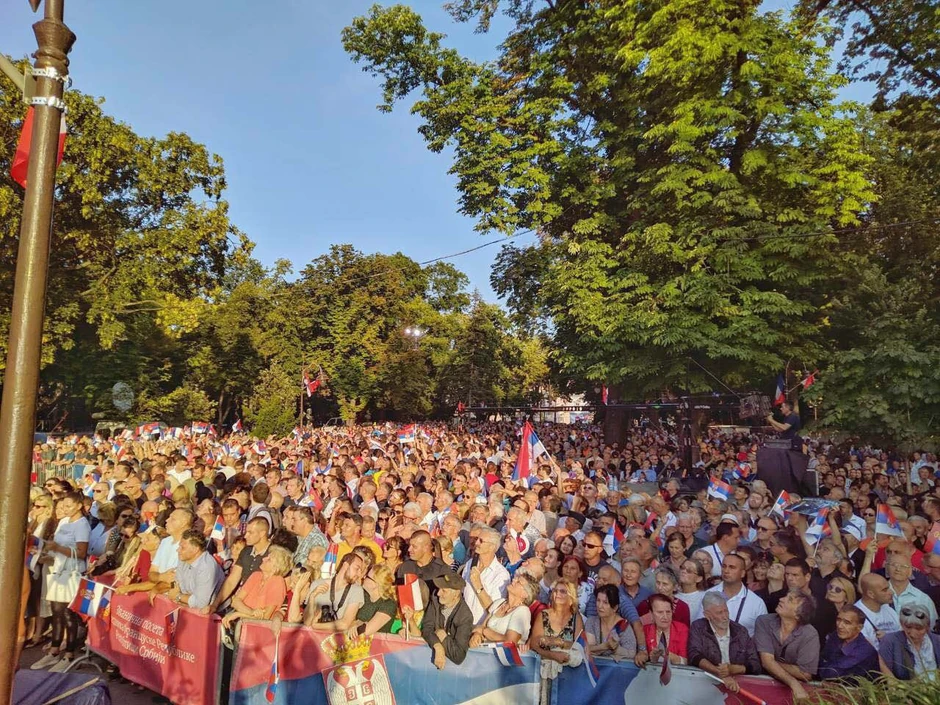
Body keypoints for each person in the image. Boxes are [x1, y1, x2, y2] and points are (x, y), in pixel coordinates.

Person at [32, 491, 90, 671]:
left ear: (79, 506)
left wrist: (57, 548)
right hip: (57, 570)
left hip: (72, 573)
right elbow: (56, 545)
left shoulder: (82, 525)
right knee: (56, 611)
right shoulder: (64, 522)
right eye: (63, 505)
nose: (64, 509)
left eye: (68, 506)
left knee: (67, 613)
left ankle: (69, 653)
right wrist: (46, 551)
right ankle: (54, 651)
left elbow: (81, 553)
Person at [688, 592, 762, 693]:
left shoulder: (740, 631)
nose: (725, 616)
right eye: (719, 613)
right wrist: (718, 672)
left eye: (726, 611)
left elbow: (755, 665)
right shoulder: (698, 628)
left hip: (740, 688)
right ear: (707, 615)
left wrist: (734, 669)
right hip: (707, 687)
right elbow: (694, 655)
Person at [754, 591, 820, 701]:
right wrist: (794, 683)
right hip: (760, 689)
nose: (781, 599)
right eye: (785, 596)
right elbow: (766, 662)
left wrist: (772, 663)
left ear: (798, 615)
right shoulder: (763, 621)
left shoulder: (810, 634)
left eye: (790, 600)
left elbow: (805, 674)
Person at [220, 546, 292, 642]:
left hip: (260, 635)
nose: (263, 558)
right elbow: (236, 601)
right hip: (242, 629)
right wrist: (252, 612)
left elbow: (265, 617)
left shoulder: (277, 582)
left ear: (275, 569)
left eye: (269, 559)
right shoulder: (256, 575)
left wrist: (238, 614)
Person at [291, 552, 367, 631]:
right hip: (314, 640)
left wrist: (316, 626)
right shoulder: (317, 584)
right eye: (357, 569)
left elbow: (344, 624)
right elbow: (307, 622)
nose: (359, 574)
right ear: (345, 565)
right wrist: (312, 597)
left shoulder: (356, 590)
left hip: (336, 641)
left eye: (360, 570)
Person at [529, 578, 584, 681]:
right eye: (555, 590)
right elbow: (534, 645)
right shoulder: (543, 615)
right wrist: (553, 655)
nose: (557, 593)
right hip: (543, 672)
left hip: (569, 676)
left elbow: (579, 645)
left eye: (562, 591)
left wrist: (558, 642)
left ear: (571, 598)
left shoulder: (576, 618)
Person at [421, 572, 473, 669]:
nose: (438, 593)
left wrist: (444, 637)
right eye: (439, 589)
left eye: (444, 591)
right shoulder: (435, 599)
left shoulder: (465, 616)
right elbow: (427, 628)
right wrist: (438, 647)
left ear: (456, 594)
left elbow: (459, 656)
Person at [706, 553, 767, 636]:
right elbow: (699, 628)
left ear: (742, 573)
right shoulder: (708, 595)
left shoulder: (756, 603)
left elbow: (763, 636)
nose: (726, 571)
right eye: (724, 566)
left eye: (732, 567)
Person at [469, 574, 537, 647]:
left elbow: (510, 641)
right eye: (515, 578)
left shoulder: (523, 611)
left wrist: (484, 631)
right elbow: (481, 627)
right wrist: (477, 635)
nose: (513, 580)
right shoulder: (499, 602)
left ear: (525, 594)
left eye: (518, 582)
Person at [460, 526, 511, 625]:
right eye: (476, 539)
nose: (476, 543)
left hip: (479, 627)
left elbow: (495, 610)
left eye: (481, 540)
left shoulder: (501, 575)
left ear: (492, 547)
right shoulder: (470, 563)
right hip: (462, 624)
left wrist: (478, 585)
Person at [878, 603, 940, 680]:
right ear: (902, 624)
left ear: (927, 626)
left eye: (918, 628)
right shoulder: (890, 641)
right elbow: (886, 671)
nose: (913, 633)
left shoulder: (937, 641)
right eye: (908, 627)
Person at [166, 529, 224, 609]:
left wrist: (178, 596)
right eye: (179, 546)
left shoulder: (206, 567)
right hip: (187, 604)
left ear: (195, 549)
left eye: (182, 547)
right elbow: (175, 580)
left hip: (213, 612)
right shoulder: (183, 557)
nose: (178, 550)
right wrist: (173, 589)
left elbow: (201, 603)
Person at [817, 606, 879, 681]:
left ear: (859, 627)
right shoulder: (836, 636)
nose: (840, 626)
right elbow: (820, 660)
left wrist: (823, 666)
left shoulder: (864, 650)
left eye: (847, 623)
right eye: (838, 620)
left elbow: (831, 673)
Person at [584, 584, 637, 661]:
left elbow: (631, 653)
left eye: (605, 602)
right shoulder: (591, 622)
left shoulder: (623, 626)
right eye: (598, 601)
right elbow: (588, 648)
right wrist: (605, 646)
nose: (600, 606)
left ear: (615, 607)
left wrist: (617, 649)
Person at [636, 593, 688, 667]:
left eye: (668, 612)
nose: (665, 617)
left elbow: (686, 661)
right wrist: (650, 659)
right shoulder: (644, 631)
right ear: (651, 614)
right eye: (660, 612)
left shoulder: (682, 629)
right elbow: (639, 657)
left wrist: (669, 656)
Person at [855, 573, 901, 649]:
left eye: (889, 588)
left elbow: (903, 637)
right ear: (871, 594)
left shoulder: (888, 609)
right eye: (884, 590)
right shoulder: (856, 616)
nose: (891, 592)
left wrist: (888, 638)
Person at [354, 563, 399, 636]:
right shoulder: (364, 596)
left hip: (377, 644)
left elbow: (366, 631)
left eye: (367, 576)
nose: (363, 577)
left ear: (376, 584)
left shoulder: (388, 604)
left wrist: (356, 623)